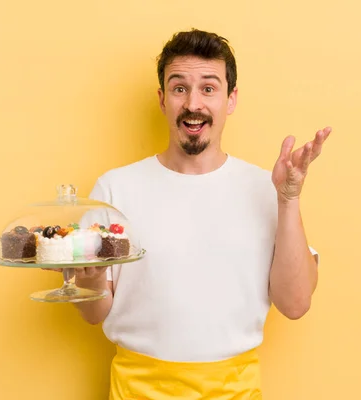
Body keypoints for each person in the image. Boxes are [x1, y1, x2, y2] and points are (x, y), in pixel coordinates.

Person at [70, 29, 332, 399]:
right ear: (162, 99)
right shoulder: (115, 190)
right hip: (137, 390)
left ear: (231, 99)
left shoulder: (267, 188)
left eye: (209, 88)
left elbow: (295, 304)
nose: (193, 103)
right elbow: (93, 314)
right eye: (179, 88)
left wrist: (288, 199)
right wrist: (93, 280)